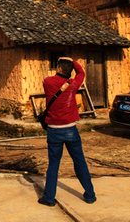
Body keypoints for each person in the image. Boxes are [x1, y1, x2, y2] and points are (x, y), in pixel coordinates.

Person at [39, 57, 96, 207]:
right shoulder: (73, 84)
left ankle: (49, 198)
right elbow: (81, 72)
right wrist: (73, 61)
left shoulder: (48, 82)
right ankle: (90, 195)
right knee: (80, 162)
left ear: (58, 69)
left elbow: (53, 78)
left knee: (53, 165)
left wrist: (64, 62)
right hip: (71, 129)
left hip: (54, 131)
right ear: (69, 71)